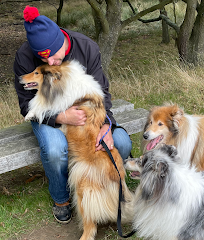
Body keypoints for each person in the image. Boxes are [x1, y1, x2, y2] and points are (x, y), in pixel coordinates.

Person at [13, 5, 132, 224]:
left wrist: (106, 125)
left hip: (90, 113)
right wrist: (61, 117)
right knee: (56, 150)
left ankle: (105, 189)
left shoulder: (87, 47)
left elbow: (102, 93)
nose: (49, 62)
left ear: (61, 40)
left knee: (122, 143)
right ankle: (61, 200)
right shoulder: (23, 56)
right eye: (42, 58)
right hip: (48, 115)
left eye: (52, 56)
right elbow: (25, 106)